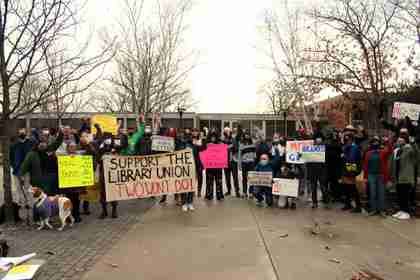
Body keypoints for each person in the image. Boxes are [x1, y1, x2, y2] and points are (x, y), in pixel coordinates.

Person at [390, 136, 418, 220]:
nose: (399, 142)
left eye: (401, 141)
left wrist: (413, 143)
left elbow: (416, 155)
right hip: (398, 177)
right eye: (398, 140)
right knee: (400, 195)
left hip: (405, 177)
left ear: (405, 142)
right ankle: (401, 211)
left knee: (405, 196)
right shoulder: (396, 151)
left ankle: (407, 212)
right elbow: (393, 164)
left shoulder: (409, 149)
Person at [363, 136, 392, 216]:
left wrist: (387, 142)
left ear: (379, 143)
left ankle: (382, 210)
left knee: (381, 193)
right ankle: (373, 209)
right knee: (373, 193)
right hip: (371, 175)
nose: (375, 143)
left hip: (381, 175)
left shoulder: (382, 152)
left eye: (377, 142)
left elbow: (390, 150)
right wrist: (365, 177)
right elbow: (365, 166)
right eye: (374, 142)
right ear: (371, 144)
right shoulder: (368, 153)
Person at [10, 129, 33, 212]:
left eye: (23, 133)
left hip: (27, 171)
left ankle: (29, 204)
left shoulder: (30, 143)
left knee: (27, 188)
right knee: (18, 188)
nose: (22, 134)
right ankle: (22, 204)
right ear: (18, 134)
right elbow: (11, 158)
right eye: (20, 133)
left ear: (25, 133)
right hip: (16, 171)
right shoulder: (14, 145)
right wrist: (14, 167)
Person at [341, 126, 363, 213]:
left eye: (347, 139)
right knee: (347, 187)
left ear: (351, 140)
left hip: (351, 169)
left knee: (352, 187)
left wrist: (344, 155)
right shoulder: (348, 146)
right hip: (346, 168)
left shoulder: (354, 147)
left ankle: (358, 206)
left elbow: (351, 159)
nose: (346, 141)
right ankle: (348, 204)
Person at [306, 137, 328, 209]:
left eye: (320, 143)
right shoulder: (310, 151)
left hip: (321, 172)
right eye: (317, 143)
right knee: (313, 188)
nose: (318, 144)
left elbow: (326, 162)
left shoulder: (325, 151)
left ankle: (325, 200)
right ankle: (314, 203)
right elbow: (307, 162)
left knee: (323, 187)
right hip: (313, 172)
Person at [205, 130, 224, 201]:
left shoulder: (220, 144)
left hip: (218, 166)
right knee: (209, 181)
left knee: (219, 181)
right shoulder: (207, 144)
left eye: (214, 137)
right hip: (210, 166)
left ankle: (219, 195)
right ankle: (209, 195)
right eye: (212, 137)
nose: (213, 138)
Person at [223, 127, 240, 197]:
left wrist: (231, 146)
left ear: (230, 132)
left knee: (235, 177)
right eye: (226, 131)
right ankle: (229, 190)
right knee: (227, 177)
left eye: (228, 131)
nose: (227, 132)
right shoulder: (223, 140)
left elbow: (236, 148)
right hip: (225, 161)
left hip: (233, 160)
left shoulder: (234, 139)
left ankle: (237, 191)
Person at [239, 130, 256, 198]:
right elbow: (240, 154)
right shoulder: (241, 143)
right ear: (244, 135)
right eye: (246, 134)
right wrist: (239, 164)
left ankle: (251, 192)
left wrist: (254, 160)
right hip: (244, 163)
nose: (247, 136)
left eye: (248, 134)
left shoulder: (253, 143)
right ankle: (244, 192)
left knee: (251, 178)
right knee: (244, 178)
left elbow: (255, 153)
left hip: (251, 162)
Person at [191, 128, 206, 197]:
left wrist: (197, 145)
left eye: (196, 131)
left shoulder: (202, 140)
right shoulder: (190, 140)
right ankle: (193, 191)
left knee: (200, 177)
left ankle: (199, 191)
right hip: (191, 161)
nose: (195, 133)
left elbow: (204, 148)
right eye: (193, 131)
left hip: (200, 161)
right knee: (192, 177)